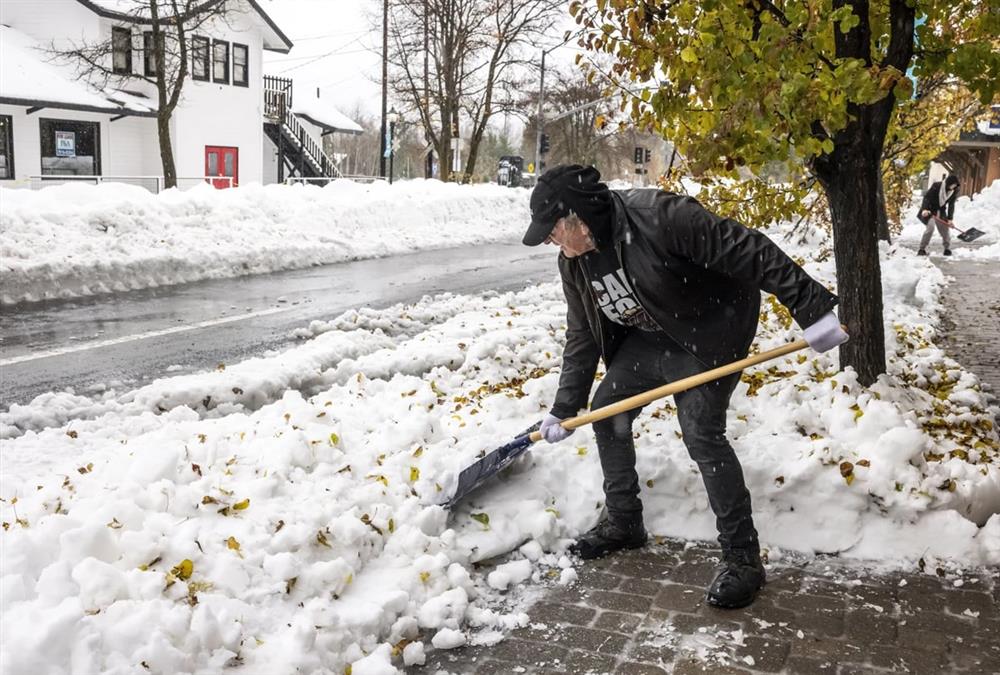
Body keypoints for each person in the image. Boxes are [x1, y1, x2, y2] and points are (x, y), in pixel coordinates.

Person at [523, 165, 848, 609]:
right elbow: (581, 334)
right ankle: (623, 520)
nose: (550, 241)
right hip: (650, 337)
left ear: (578, 215)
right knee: (608, 413)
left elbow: (750, 250)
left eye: (553, 230)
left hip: (710, 329)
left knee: (701, 433)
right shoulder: (574, 263)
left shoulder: (660, 216)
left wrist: (812, 308)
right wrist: (565, 406)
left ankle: (743, 559)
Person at [917, 174, 961, 256]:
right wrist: (925, 209)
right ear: (948, 183)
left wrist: (950, 219)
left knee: (945, 230)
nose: (954, 187)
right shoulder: (937, 186)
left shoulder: (953, 191)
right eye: (953, 185)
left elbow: (951, 205)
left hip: (941, 211)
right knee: (930, 228)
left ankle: (947, 249)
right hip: (930, 210)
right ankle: (921, 249)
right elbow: (927, 198)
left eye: (955, 185)